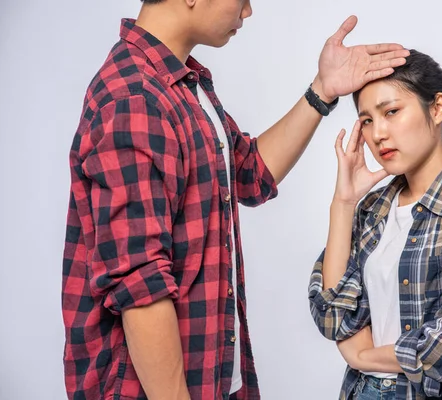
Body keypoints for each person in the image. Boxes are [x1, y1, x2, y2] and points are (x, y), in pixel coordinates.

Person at [60, 0, 410, 398]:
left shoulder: (180, 86)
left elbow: (249, 173)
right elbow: (140, 285)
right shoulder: (134, 99)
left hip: (211, 377)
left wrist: (323, 90)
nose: (247, 11)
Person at [308, 49, 442, 399]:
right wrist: (343, 204)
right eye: (366, 120)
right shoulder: (374, 210)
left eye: (391, 112)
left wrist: (362, 354)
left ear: (437, 108)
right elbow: (333, 317)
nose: (378, 134)